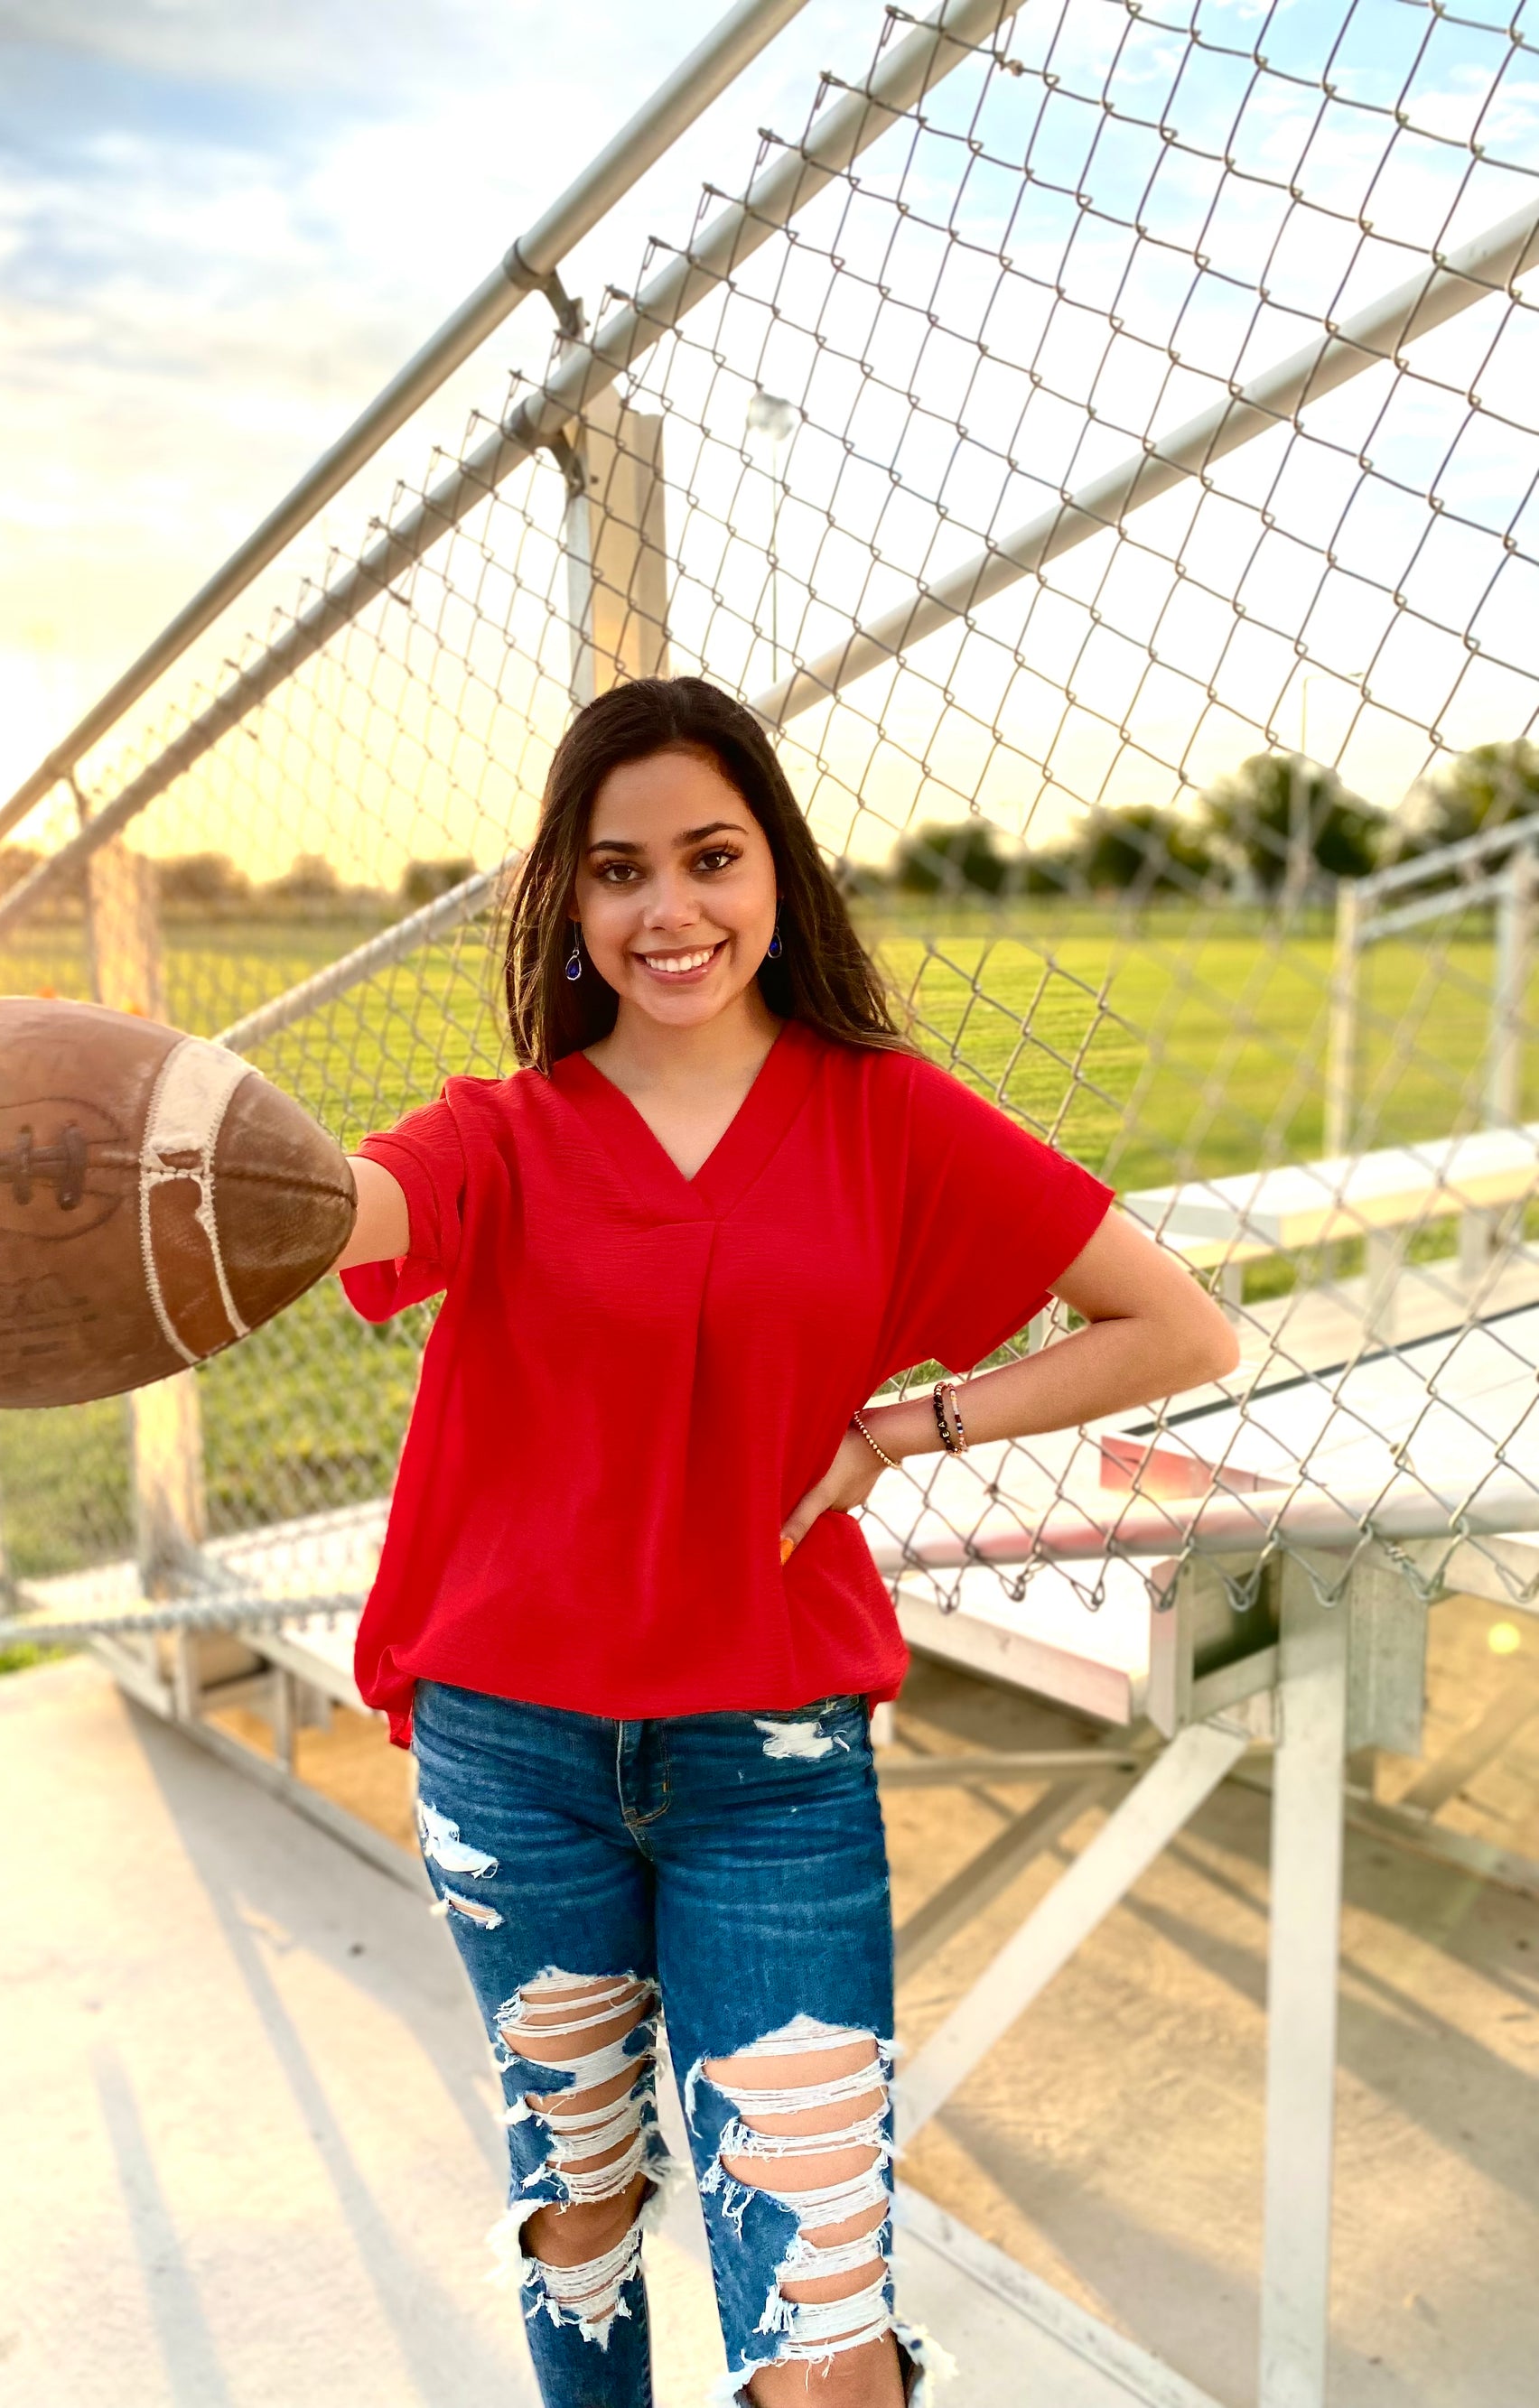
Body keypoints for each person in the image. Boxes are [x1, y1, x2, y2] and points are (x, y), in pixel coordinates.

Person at [331, 676, 1237, 2408]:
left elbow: (1177, 1328)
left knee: (826, 2330)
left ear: (775, 875)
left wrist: (906, 1428)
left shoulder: (885, 1115)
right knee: (580, 2211)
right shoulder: (502, 1134)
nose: (667, 910)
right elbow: (356, 1209)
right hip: (513, 1757)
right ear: (571, 906)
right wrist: (181, 1164)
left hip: (772, 1766)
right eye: (618, 871)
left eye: (709, 857)